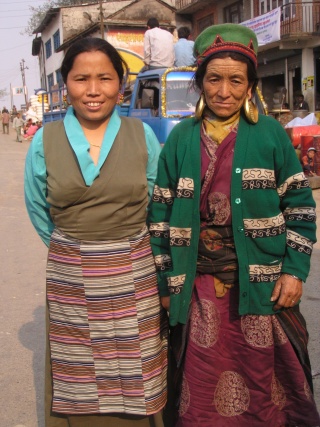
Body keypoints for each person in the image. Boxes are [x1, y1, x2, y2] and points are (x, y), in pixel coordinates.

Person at [148, 23, 319, 427]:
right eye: (214, 79)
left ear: (250, 85)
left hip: (261, 288)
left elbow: (301, 208)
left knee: (268, 392)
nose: (224, 91)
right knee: (201, 392)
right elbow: (159, 218)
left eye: (235, 81)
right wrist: (166, 286)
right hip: (200, 289)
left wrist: (294, 273)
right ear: (200, 83)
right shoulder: (181, 140)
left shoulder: (271, 136)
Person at [24, 37, 167, 427]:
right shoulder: (44, 141)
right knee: (79, 371)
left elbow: (156, 203)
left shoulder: (143, 137)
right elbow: (39, 210)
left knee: (136, 365)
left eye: (104, 78)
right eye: (80, 78)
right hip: (71, 276)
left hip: (133, 273)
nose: (92, 90)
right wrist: (76, 245)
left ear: (120, 84)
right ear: (65, 85)